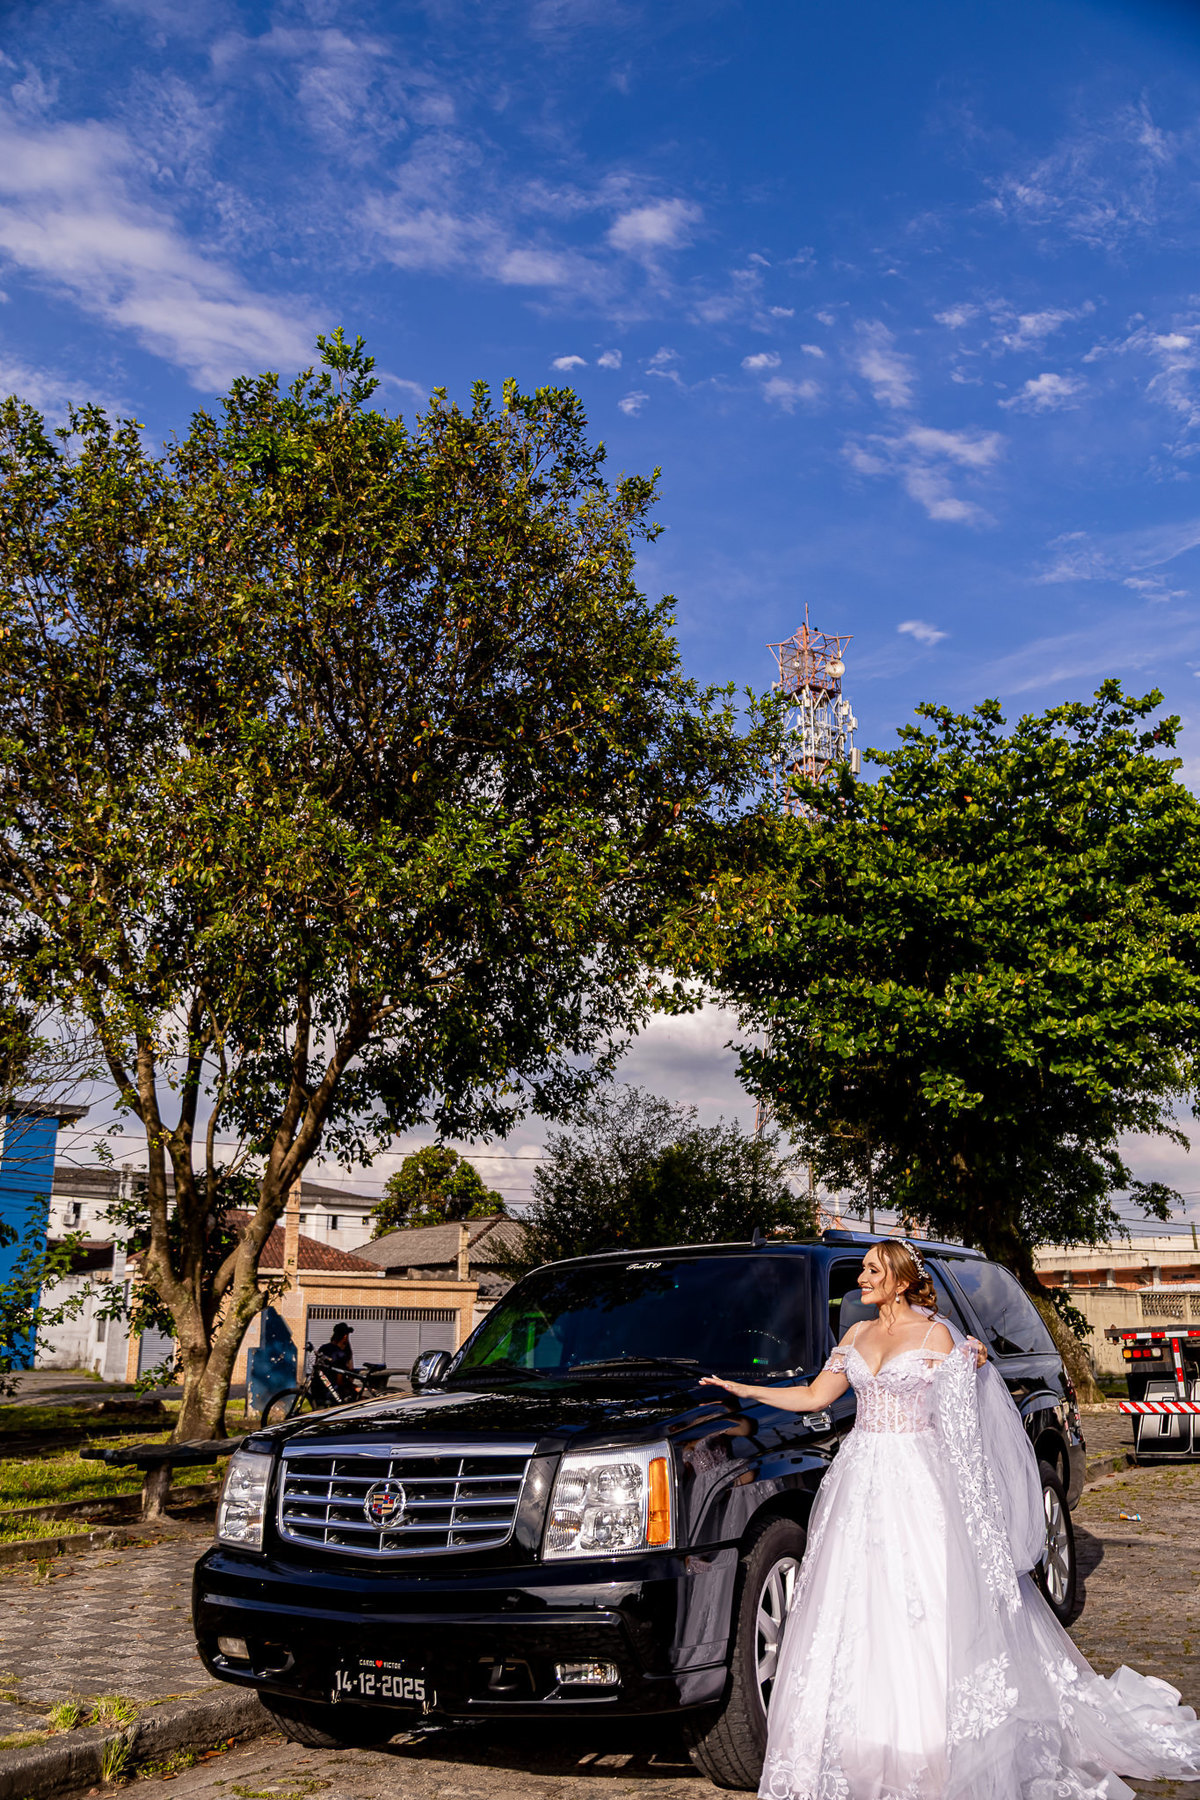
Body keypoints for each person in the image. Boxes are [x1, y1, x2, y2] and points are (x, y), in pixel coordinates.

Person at [701, 1238, 1200, 1800]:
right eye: (862, 1270)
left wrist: (976, 1516)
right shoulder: (855, 1335)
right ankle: (865, 1739)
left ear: (899, 1279)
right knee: (860, 1603)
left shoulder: (939, 1337)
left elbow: (963, 1434)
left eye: (871, 1270)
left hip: (919, 1480)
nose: (861, 1279)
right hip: (860, 1483)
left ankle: (933, 1743)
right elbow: (815, 1397)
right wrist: (741, 1389)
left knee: (926, 1603)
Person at [313, 1321, 357, 1403]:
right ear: (345, 1336)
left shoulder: (323, 1348)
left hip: (317, 1388)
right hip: (333, 1392)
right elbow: (340, 1380)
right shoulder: (341, 1354)